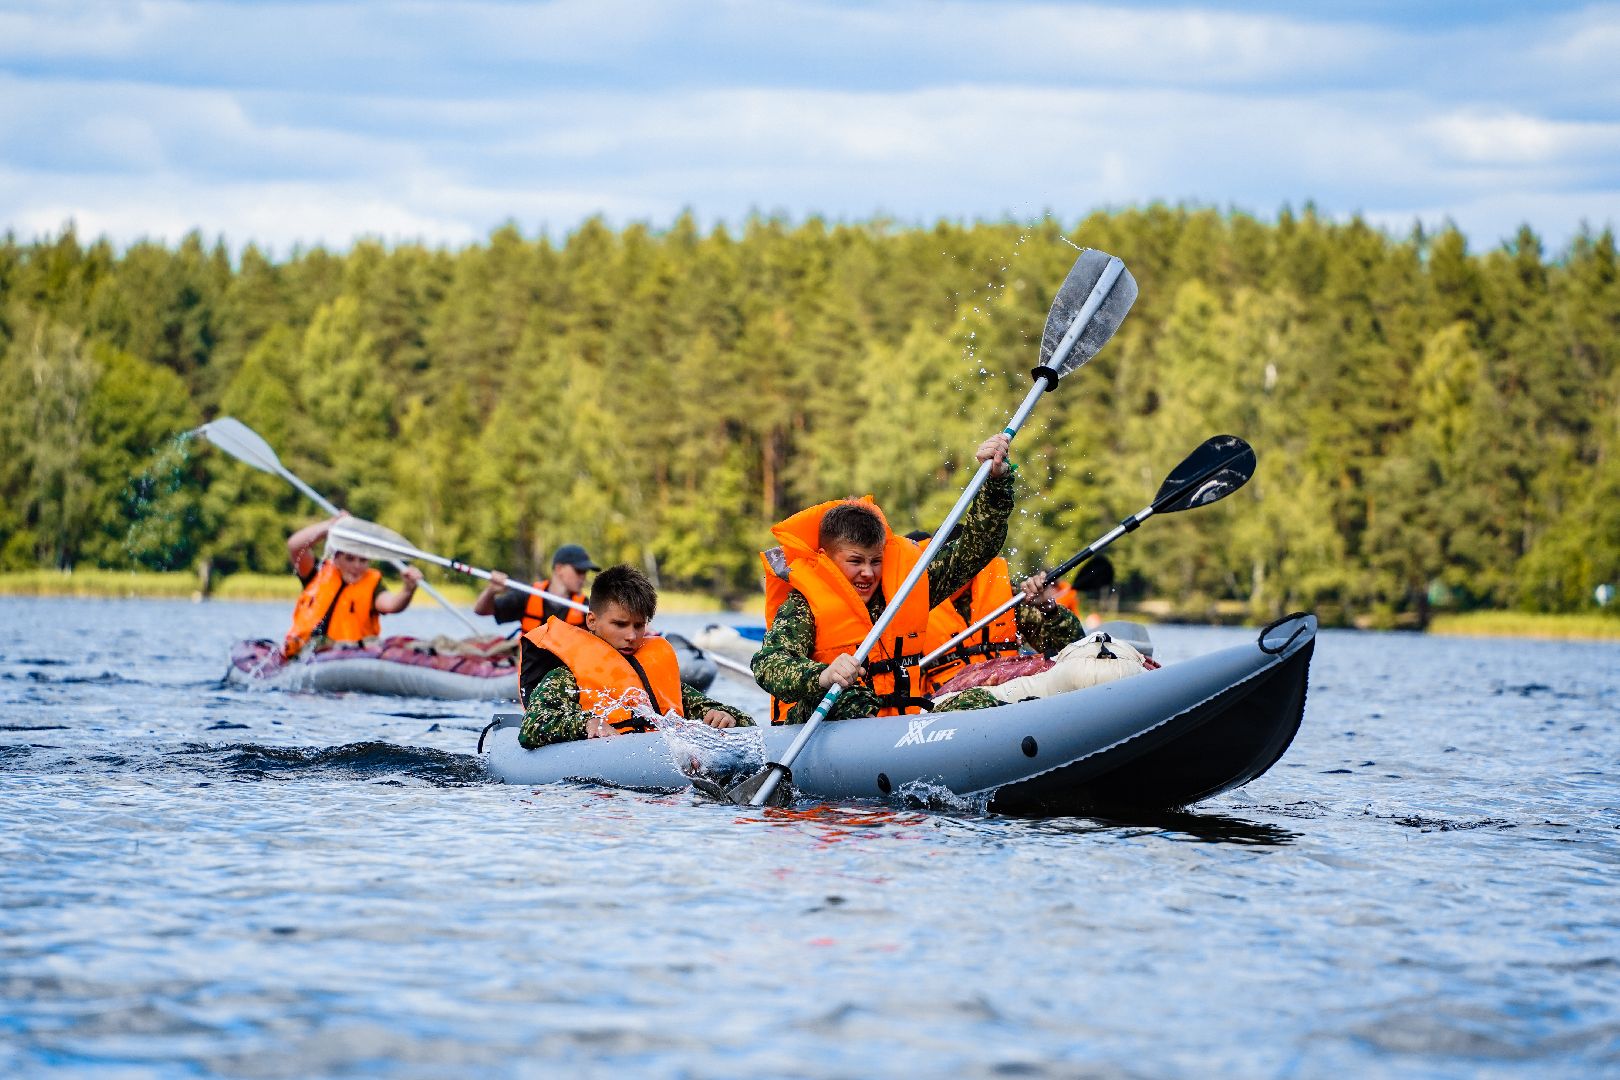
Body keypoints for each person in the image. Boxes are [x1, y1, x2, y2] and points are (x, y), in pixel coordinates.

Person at [750, 435, 1016, 725]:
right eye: (855, 561)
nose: (868, 572)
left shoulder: (904, 590)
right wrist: (823, 675)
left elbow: (977, 548)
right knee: (850, 698)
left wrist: (995, 482)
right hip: (826, 725)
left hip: (899, 726)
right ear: (827, 557)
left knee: (978, 700)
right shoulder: (803, 604)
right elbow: (768, 664)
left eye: (875, 561)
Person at [518, 564, 753, 748]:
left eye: (639, 625)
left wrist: (724, 717)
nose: (631, 635)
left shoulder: (653, 674)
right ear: (592, 621)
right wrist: (587, 723)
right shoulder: (565, 678)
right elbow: (532, 727)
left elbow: (743, 720)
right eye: (620, 624)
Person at [905, 530, 1086, 691]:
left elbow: (1073, 647)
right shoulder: (910, 605)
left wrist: (1049, 609)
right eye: (947, 564)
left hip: (1012, 692)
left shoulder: (1009, 595)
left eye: (961, 563)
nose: (952, 573)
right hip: (946, 706)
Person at [283, 513, 422, 658]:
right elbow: (295, 546)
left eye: (363, 560)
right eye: (349, 558)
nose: (357, 565)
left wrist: (407, 590)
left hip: (349, 656)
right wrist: (330, 526)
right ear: (336, 558)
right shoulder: (317, 573)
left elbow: (392, 604)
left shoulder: (372, 584)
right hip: (305, 654)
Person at [474, 543, 598, 634]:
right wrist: (491, 591)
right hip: (530, 668)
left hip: (564, 669)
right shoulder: (528, 595)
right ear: (559, 569)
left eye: (585, 572)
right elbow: (481, 610)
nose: (583, 577)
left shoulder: (585, 607)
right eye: (579, 571)